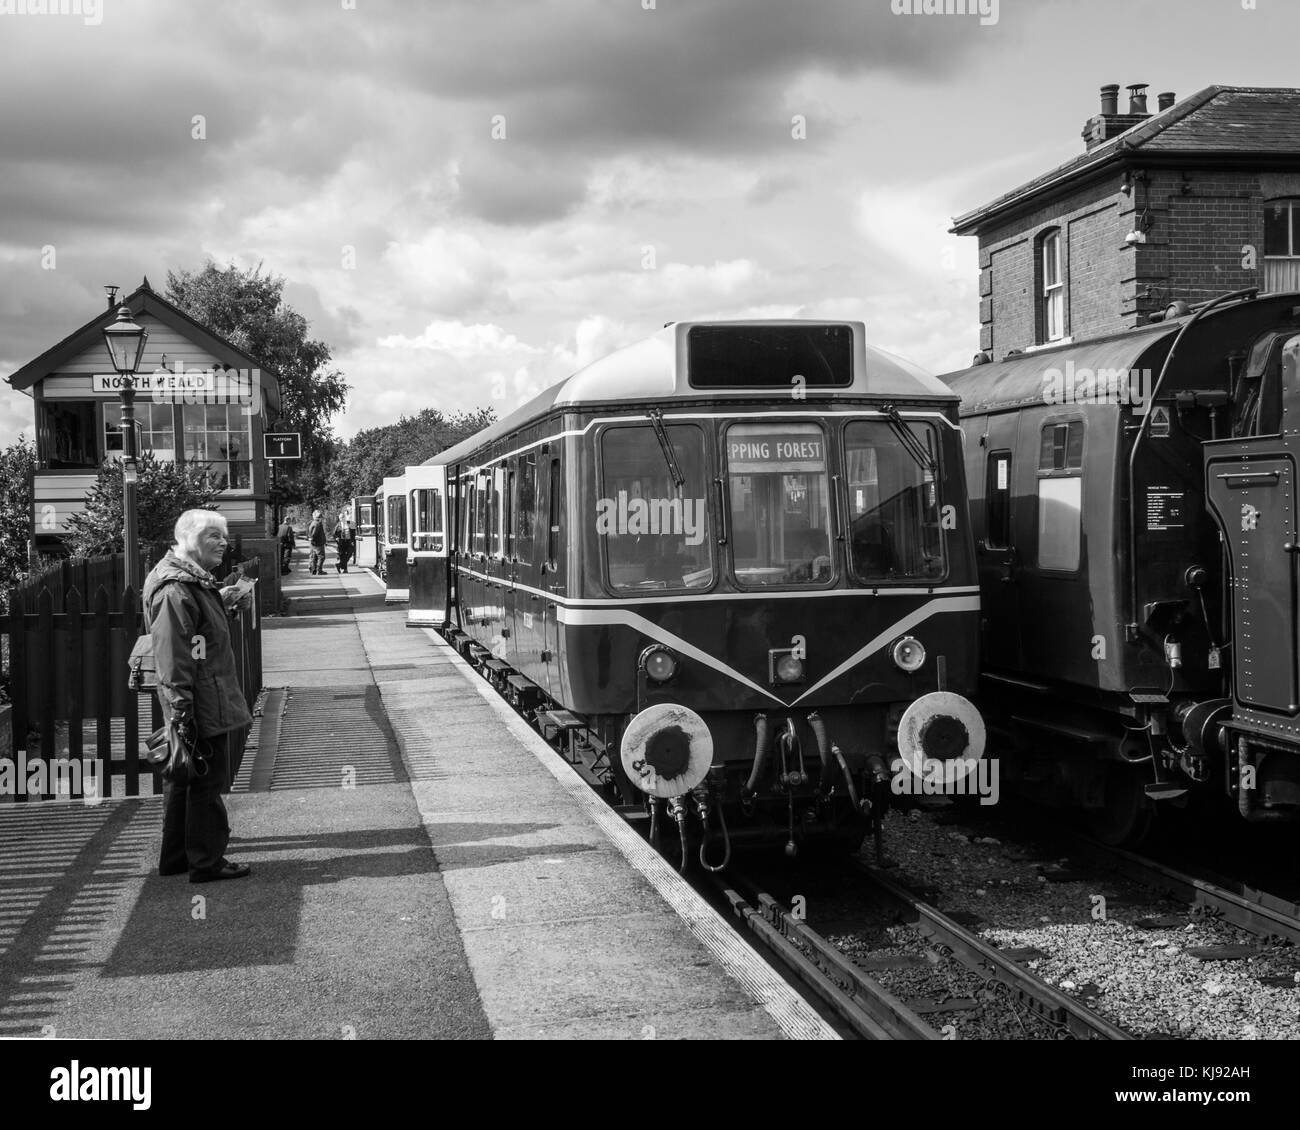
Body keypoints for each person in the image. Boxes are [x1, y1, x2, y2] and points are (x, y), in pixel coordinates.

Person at [143, 510, 254, 883]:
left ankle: (177, 857)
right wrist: (180, 711)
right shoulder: (176, 589)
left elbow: (194, 641)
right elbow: (173, 656)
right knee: (207, 780)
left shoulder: (186, 582)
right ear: (190, 539)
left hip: (198, 695)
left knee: (184, 777)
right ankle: (207, 861)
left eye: (223, 535)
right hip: (200, 698)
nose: (223, 542)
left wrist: (222, 602)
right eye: (213, 536)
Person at [307, 509, 328, 575]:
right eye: (320, 517)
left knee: (314, 557)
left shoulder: (312, 522)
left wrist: (311, 539)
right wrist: (313, 539)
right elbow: (314, 533)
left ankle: (313, 569)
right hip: (318, 543)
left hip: (314, 543)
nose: (321, 518)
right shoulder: (317, 524)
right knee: (321, 557)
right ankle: (319, 570)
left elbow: (310, 533)